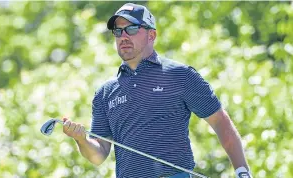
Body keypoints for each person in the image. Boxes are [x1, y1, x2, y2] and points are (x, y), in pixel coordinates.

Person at [62, 3, 252, 178]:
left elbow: (220, 122)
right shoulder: (105, 92)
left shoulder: (180, 75)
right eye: (118, 31)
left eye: (132, 29)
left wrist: (242, 171)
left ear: (151, 35)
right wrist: (81, 140)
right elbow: (98, 155)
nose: (123, 37)